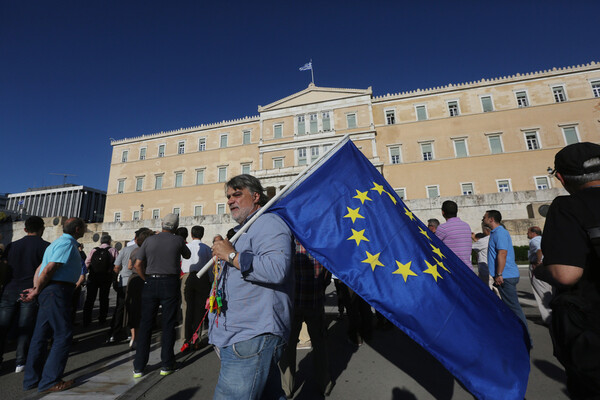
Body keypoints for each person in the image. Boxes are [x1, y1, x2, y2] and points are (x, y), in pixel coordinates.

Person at [210, 174, 294, 400]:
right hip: (243, 332)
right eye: (228, 196)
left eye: (237, 194)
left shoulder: (268, 222)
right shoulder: (246, 229)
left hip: (251, 333)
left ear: (256, 196)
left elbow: (276, 269)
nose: (230, 201)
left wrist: (230, 254)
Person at [534, 142, 600, 399]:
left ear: (560, 177)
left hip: (592, 326)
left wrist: (541, 271)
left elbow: (566, 274)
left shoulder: (568, 206)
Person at [22, 217, 86, 392]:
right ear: (78, 229)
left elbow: (40, 269)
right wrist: (36, 290)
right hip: (57, 291)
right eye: (85, 227)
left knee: (40, 336)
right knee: (63, 334)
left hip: (50, 291)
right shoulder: (66, 244)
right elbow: (50, 268)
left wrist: (37, 288)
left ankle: (32, 379)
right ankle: (50, 380)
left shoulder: (56, 244)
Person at [133, 214, 190, 377]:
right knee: (168, 323)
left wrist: (146, 279)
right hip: (169, 282)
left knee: (146, 324)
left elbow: (138, 264)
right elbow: (187, 255)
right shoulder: (178, 240)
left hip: (151, 281)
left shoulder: (149, 240)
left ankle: (139, 366)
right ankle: (167, 364)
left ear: (162, 224)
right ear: (176, 226)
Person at [279, 241, 334, 398]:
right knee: (320, 344)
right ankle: (325, 384)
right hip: (315, 301)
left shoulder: (288, 245)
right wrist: (320, 289)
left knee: (288, 347)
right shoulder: (320, 245)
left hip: (293, 303)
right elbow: (326, 275)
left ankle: (286, 387)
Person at [0, 216, 50, 372]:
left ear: (25, 229)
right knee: (26, 327)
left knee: (2, 327)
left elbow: (5, 269)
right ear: (42, 228)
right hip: (30, 290)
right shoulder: (46, 247)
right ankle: (20, 361)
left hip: (10, 288)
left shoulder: (12, 246)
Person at [483, 210, 530, 339]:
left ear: (491, 219)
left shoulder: (500, 233)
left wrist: (499, 274)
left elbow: (502, 253)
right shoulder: (496, 233)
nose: (483, 219)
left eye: (485, 217)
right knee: (509, 307)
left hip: (506, 276)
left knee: (514, 307)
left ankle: (525, 337)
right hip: (505, 275)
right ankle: (516, 333)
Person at [108, 230, 143, 343]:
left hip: (124, 282)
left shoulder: (125, 249)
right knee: (135, 308)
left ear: (135, 238)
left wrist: (115, 280)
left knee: (120, 308)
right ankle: (131, 332)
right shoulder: (142, 250)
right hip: (137, 281)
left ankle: (116, 332)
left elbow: (116, 267)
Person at [182, 225, 212, 346]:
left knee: (187, 308)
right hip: (202, 277)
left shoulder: (186, 247)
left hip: (188, 276)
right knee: (199, 309)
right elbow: (210, 267)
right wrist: (210, 280)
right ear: (202, 234)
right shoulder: (206, 248)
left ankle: (186, 338)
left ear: (191, 234)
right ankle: (196, 339)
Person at [124, 228, 153, 348]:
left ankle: (133, 336)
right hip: (142, 279)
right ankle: (139, 336)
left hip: (133, 279)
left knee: (132, 307)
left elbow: (130, 266)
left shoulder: (134, 251)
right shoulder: (147, 252)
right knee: (142, 308)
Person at [82, 234, 118, 326]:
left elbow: (87, 263)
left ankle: (86, 319)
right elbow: (117, 264)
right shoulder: (113, 250)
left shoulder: (94, 250)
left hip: (93, 277)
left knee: (90, 298)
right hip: (106, 277)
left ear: (101, 241)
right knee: (104, 298)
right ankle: (102, 318)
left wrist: (84, 275)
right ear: (109, 241)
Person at [435, 200, 473, 271]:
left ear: (443, 212)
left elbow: (434, 245)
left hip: (453, 270)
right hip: (468, 269)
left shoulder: (443, 228)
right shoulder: (466, 226)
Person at [527, 226, 553, 325]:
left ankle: (548, 319)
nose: (527, 234)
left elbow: (539, 250)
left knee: (541, 293)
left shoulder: (534, 240)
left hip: (538, 268)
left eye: (528, 232)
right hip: (547, 267)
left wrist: (538, 262)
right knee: (548, 291)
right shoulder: (543, 239)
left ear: (533, 233)